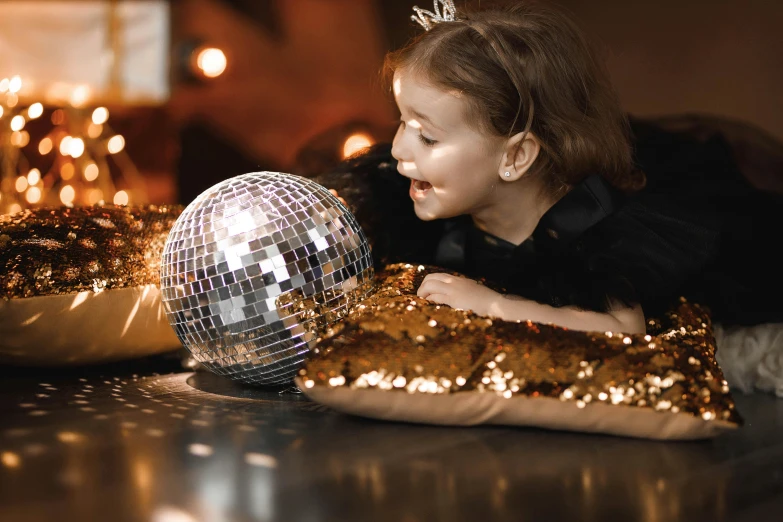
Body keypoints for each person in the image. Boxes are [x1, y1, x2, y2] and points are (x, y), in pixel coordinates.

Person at [322, 0, 783, 334]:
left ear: (515, 157)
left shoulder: (587, 228)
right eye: (401, 122)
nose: (399, 148)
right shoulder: (417, 206)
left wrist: (494, 305)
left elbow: (624, 328)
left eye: (427, 135)